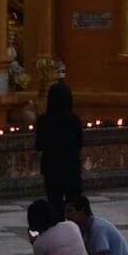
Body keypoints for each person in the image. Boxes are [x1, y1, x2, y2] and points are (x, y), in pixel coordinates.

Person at [35, 80, 84, 211]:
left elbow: (39, 145)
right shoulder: (74, 120)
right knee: (74, 203)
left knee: (54, 203)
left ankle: (57, 228)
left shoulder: (43, 120)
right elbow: (80, 144)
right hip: (71, 166)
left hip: (51, 167)